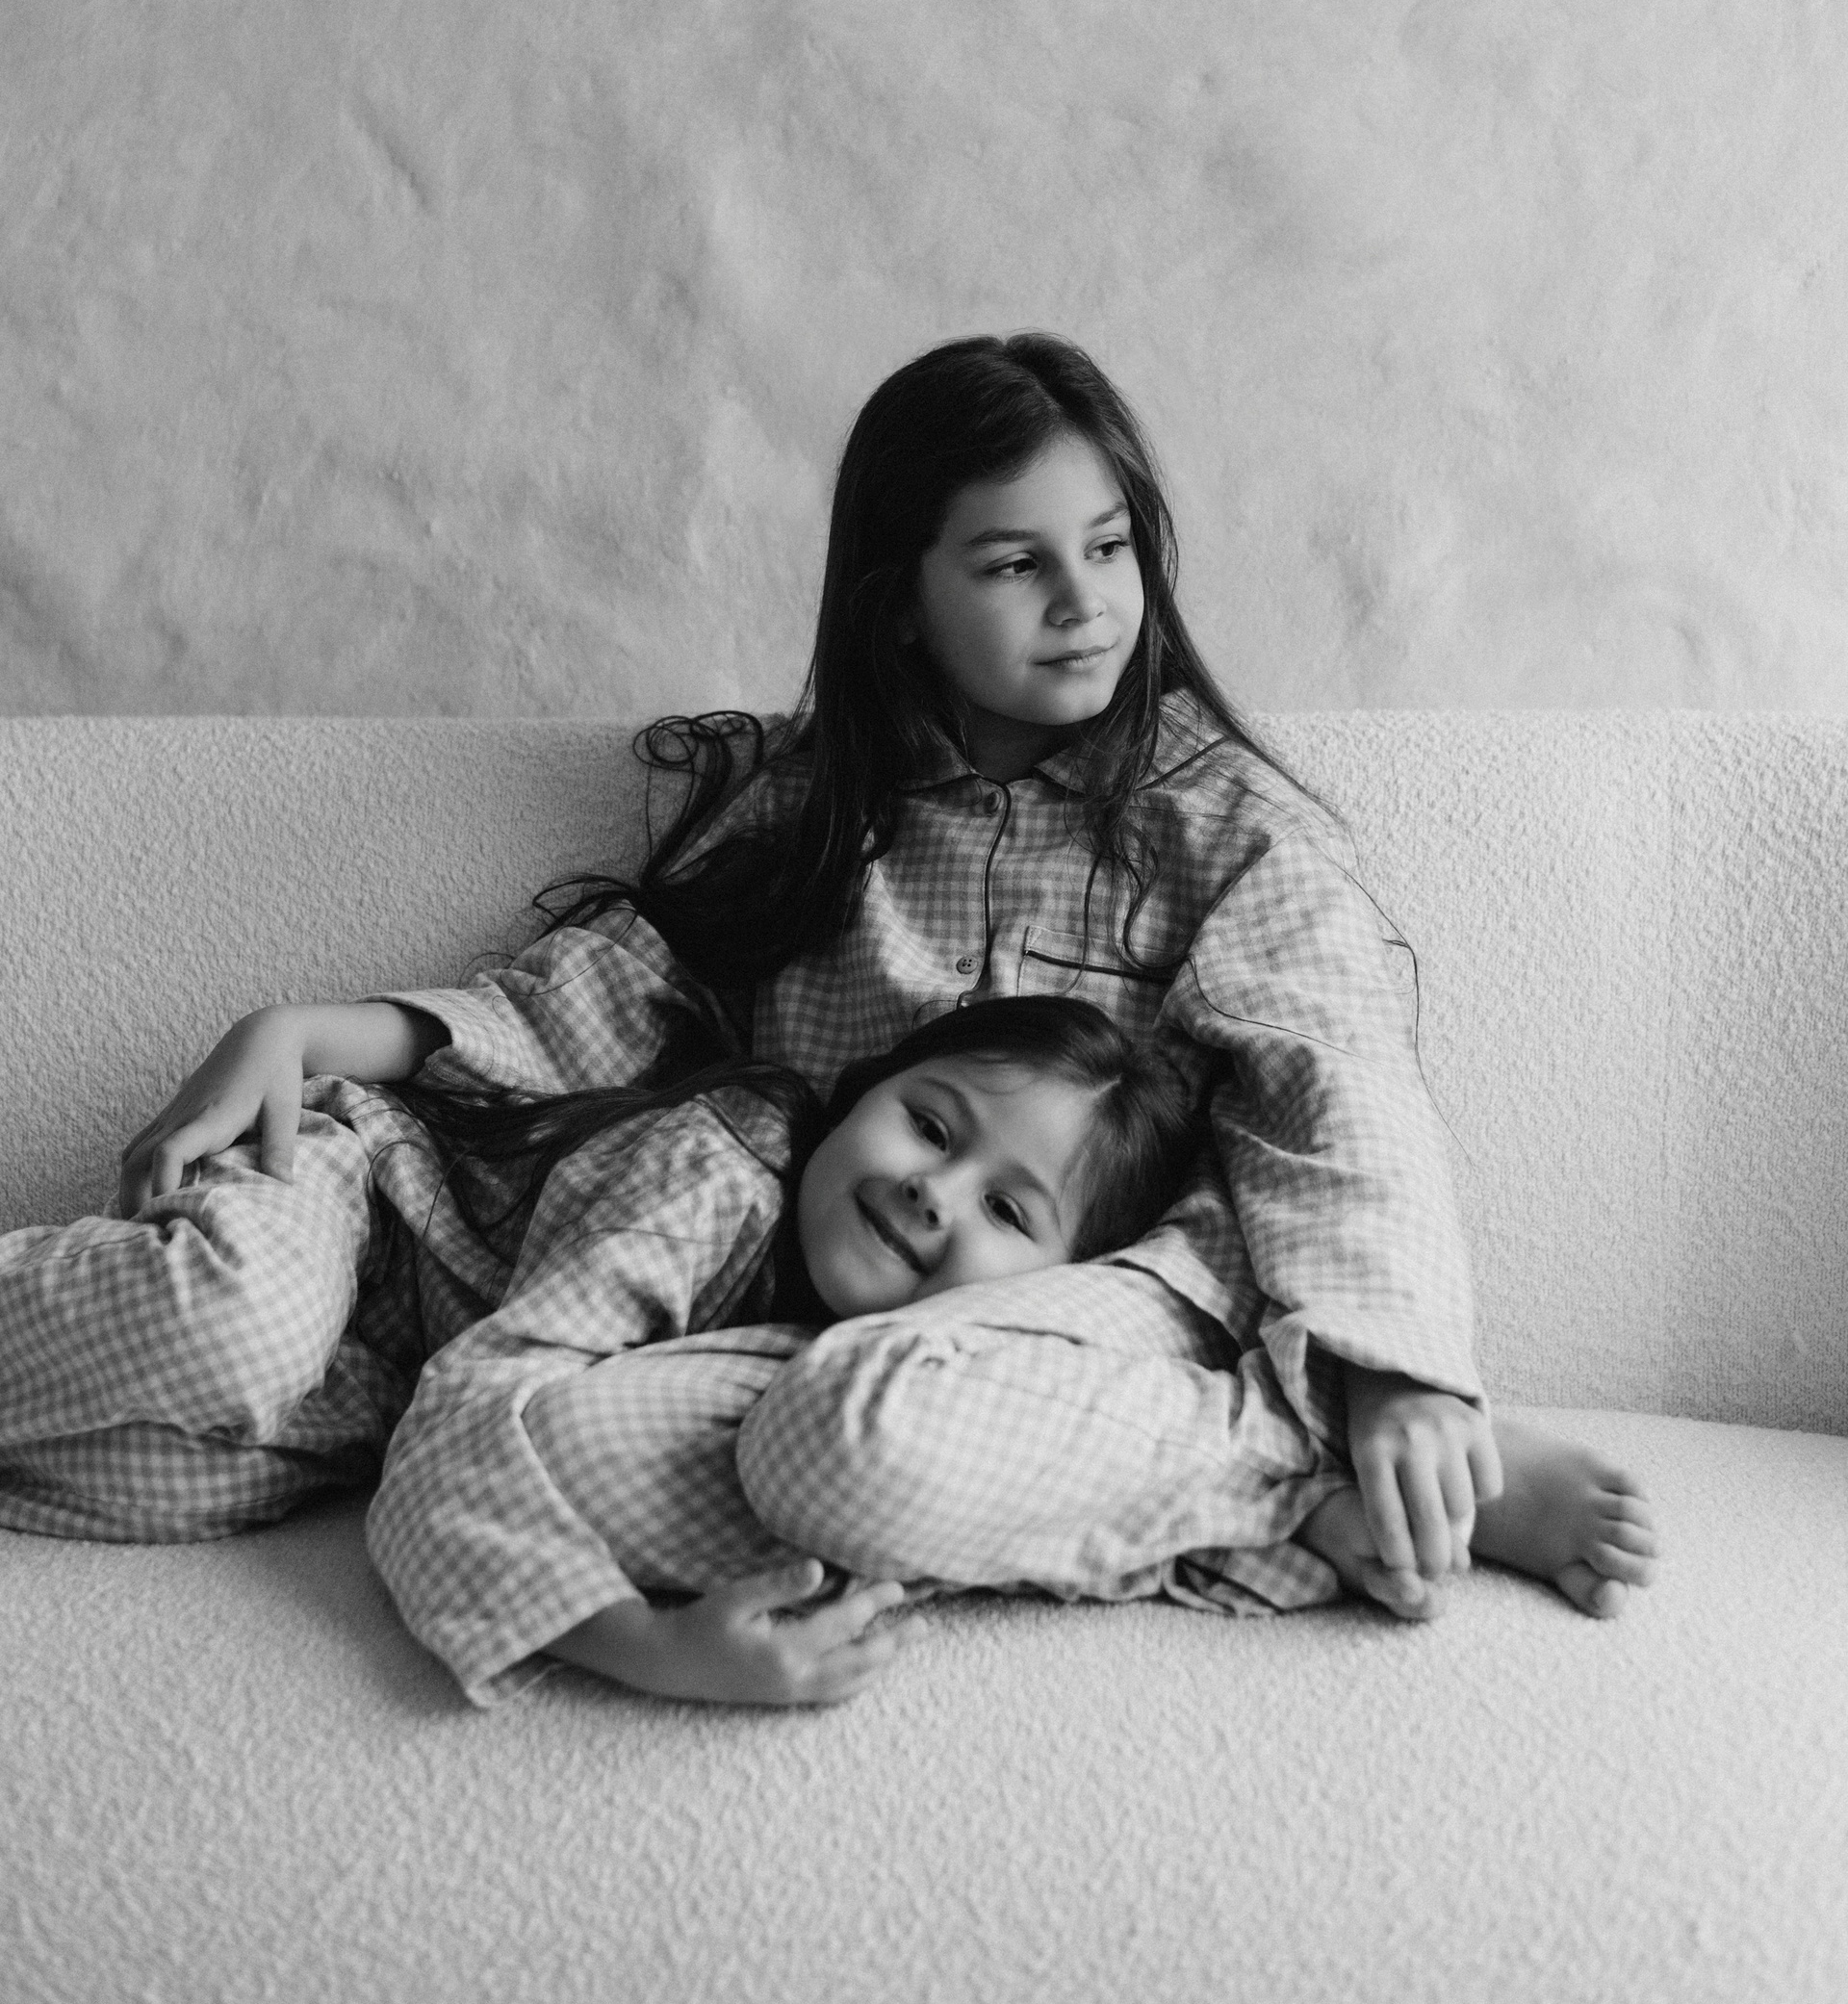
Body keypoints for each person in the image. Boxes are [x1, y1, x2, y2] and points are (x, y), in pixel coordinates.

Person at [110, 332, 1656, 1655]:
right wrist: (313, 1029)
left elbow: (1335, 1086)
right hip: (808, 1331)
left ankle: (1328, 1455)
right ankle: (1272, 1501)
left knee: (861, 1431)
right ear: (901, 598)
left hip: (1091, 1315)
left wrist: (1392, 1375)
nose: (1083, 601)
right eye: (1015, 563)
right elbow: (600, 999)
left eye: (1109, 547)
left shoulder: (1228, 827)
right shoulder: (812, 808)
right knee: (602, 1439)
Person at [0, 997, 1215, 1705]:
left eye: (1007, 1210)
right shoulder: (718, 1172)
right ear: (860, 1093)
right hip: (346, 1205)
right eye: (931, 1126)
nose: (933, 1191)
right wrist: (645, 1644)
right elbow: (478, 1405)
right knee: (234, 1331)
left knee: (149, 1474)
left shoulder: (867, 1367)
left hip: (364, 1392)